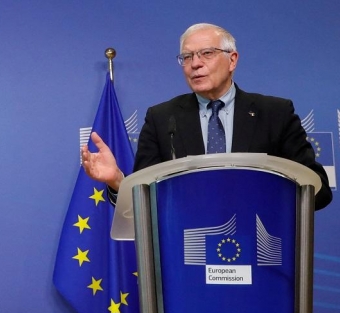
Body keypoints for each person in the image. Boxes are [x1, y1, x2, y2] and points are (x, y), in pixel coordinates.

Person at [81, 23, 332, 210]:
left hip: (262, 246)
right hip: (187, 250)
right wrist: (117, 181)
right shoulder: (162, 118)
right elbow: (144, 199)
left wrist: (264, 194)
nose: (195, 64)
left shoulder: (275, 113)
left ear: (232, 60)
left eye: (207, 54)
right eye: (187, 57)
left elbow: (318, 189)